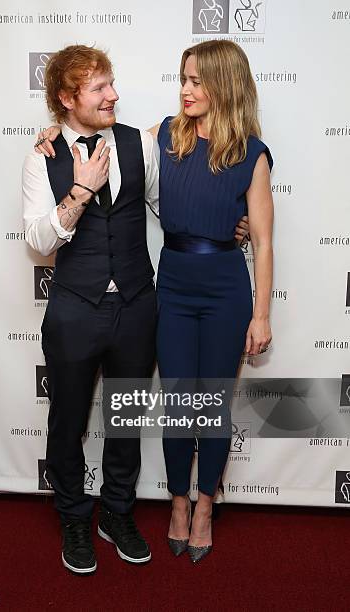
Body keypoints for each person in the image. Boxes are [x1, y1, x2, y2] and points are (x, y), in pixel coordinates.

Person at [30, 44, 252, 572]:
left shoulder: (139, 144)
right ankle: (72, 518)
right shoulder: (41, 155)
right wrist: (80, 191)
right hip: (73, 308)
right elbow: (39, 239)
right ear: (66, 98)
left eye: (112, 83)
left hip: (136, 305)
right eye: (99, 88)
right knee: (67, 420)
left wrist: (228, 226)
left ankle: (117, 512)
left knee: (125, 416)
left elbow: (165, 201)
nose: (114, 95)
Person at [150, 40, 273, 563]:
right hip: (173, 283)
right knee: (178, 404)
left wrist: (262, 313)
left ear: (224, 85)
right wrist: (52, 137)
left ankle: (205, 507)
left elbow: (264, 240)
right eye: (183, 78)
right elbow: (101, 140)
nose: (185, 90)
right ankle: (177, 503)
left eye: (197, 81)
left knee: (213, 407)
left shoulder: (251, 153)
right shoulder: (162, 134)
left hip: (225, 288)